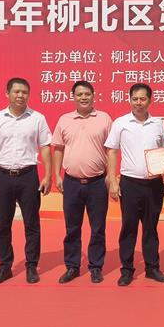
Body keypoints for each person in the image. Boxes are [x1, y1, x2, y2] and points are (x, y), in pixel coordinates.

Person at [0, 77, 52, 286]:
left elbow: (45, 147)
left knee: (32, 224)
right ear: (8, 94)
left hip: (29, 176)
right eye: (16, 92)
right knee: (3, 224)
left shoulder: (37, 118)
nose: (20, 95)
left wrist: (48, 175)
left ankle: (31, 266)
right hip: (3, 176)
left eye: (24, 92)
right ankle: (5, 266)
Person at [105, 83, 164, 287]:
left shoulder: (158, 124)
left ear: (150, 100)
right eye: (135, 99)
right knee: (129, 227)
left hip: (154, 184)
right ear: (129, 100)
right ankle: (127, 270)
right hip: (130, 184)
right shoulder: (121, 123)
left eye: (143, 99)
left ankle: (152, 267)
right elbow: (112, 151)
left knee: (151, 227)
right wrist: (113, 181)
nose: (138, 103)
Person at [51, 80, 112, 284]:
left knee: (98, 228)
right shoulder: (64, 120)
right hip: (72, 183)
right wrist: (57, 175)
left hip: (97, 183)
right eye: (79, 94)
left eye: (87, 94)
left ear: (93, 96)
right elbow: (58, 148)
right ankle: (72, 266)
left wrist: (111, 176)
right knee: (72, 228)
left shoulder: (104, 119)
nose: (83, 97)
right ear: (73, 97)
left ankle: (96, 267)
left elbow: (111, 150)